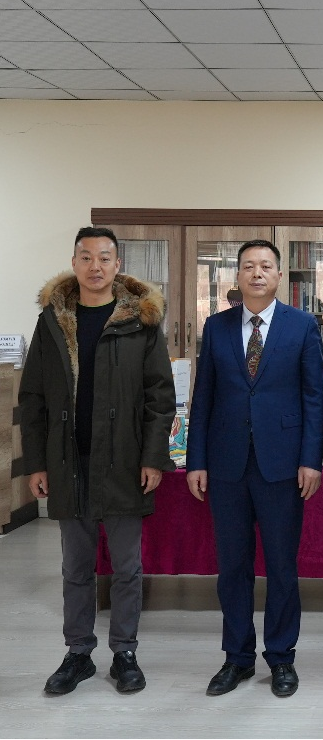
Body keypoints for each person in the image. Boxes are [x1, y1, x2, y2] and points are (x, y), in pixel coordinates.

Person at [19, 226, 176, 695]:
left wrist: (153, 457)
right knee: (75, 568)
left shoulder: (140, 321)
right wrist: (36, 464)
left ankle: (124, 652)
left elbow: (159, 397)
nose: (95, 266)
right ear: (74, 262)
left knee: (127, 568)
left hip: (124, 462)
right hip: (69, 462)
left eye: (105, 258)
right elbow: (33, 398)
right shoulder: (52, 321)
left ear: (117, 264)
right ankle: (78, 653)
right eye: (86, 257)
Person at [186, 239, 323, 698]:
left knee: (282, 566)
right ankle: (237, 657)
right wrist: (197, 460)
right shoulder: (217, 326)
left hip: (283, 465)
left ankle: (281, 657)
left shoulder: (302, 325)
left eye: (266, 266)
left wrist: (311, 459)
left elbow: (314, 398)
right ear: (238, 276)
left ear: (280, 275)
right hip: (226, 464)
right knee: (233, 568)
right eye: (249, 266)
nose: (257, 273)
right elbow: (203, 398)